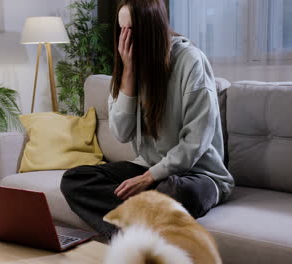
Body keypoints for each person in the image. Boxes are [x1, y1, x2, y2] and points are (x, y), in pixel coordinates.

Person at [60, 0, 234, 239]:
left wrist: (150, 177)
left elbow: (196, 140)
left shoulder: (190, 60)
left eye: (132, 30)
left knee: (173, 192)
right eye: (121, 30)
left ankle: (131, 226)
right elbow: (121, 132)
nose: (126, 39)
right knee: (75, 180)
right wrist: (129, 74)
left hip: (198, 175)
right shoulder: (127, 67)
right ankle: (127, 233)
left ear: (152, 28)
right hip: (149, 168)